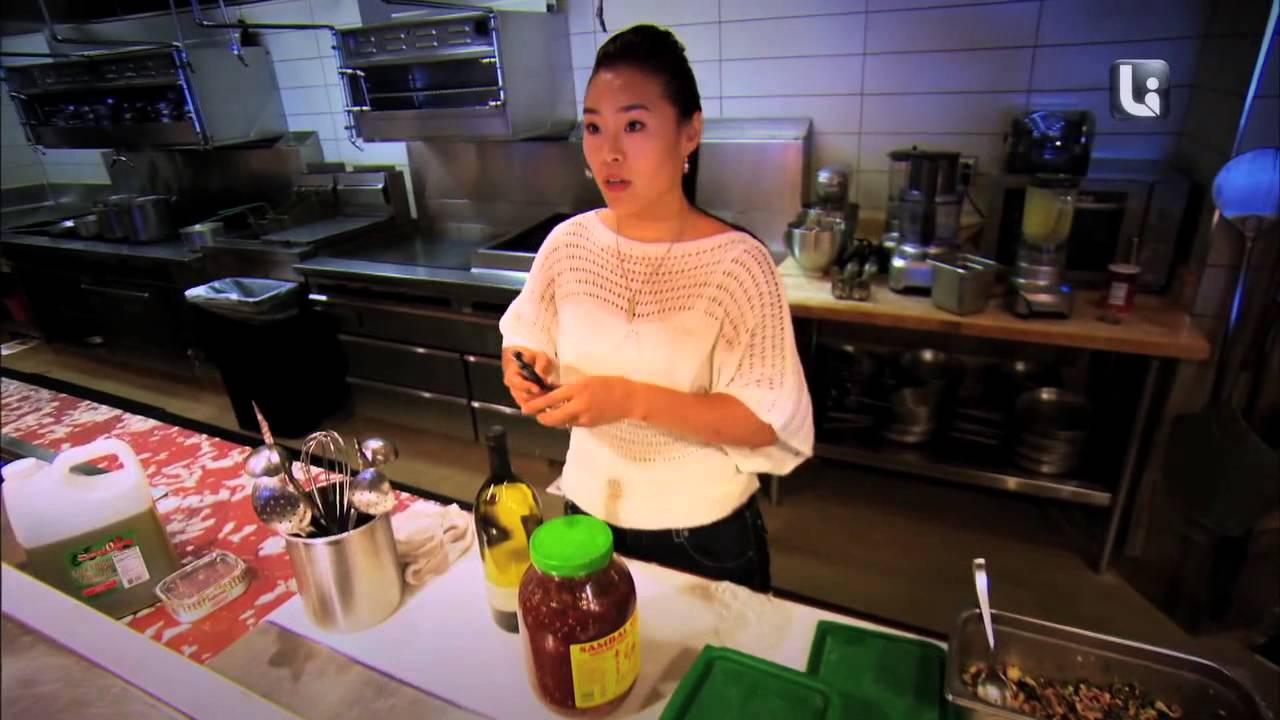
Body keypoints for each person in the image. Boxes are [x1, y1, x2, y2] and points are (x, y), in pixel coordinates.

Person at [498, 24, 812, 592]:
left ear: (690, 132)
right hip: (586, 510)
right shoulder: (569, 244)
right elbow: (527, 334)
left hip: (700, 532)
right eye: (594, 127)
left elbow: (765, 420)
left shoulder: (739, 264)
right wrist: (523, 366)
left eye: (635, 125)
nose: (609, 152)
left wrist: (629, 399)